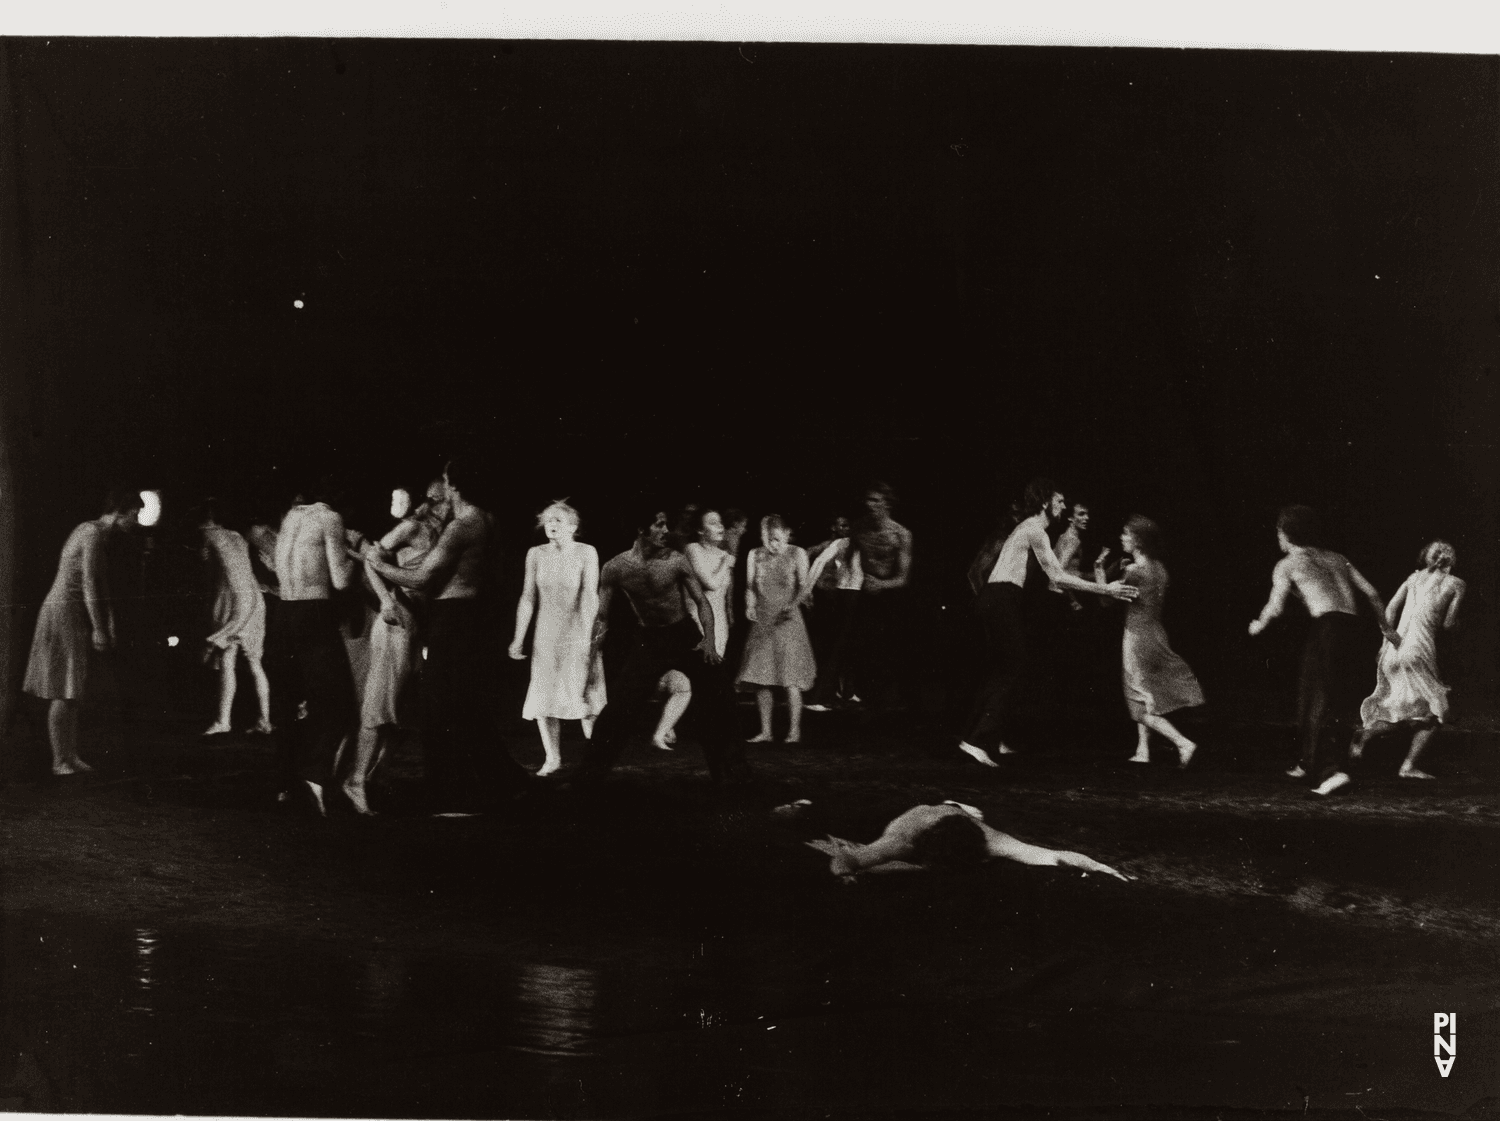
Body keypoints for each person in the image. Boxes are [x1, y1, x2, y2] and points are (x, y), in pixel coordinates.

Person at [362, 457, 531, 814]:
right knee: (468, 708)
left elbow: (422, 577)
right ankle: (508, 785)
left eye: (443, 481)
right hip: (472, 616)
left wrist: (381, 566)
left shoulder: (463, 526)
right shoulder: (489, 520)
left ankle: (452, 796)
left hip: (452, 619)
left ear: (453, 485)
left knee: (438, 710)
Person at [958, 478, 1138, 767]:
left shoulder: (1029, 529)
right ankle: (976, 740)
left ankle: (983, 738)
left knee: (1004, 668)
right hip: (1000, 598)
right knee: (1013, 665)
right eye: (1059, 501)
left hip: (999, 599)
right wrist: (1106, 589)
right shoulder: (1034, 529)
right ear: (1044, 502)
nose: (1063, 506)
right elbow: (1057, 576)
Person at [572, 508, 749, 784]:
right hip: (649, 639)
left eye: (666, 525)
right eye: (659, 525)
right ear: (641, 530)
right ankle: (588, 776)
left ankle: (732, 775)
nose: (665, 532)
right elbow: (602, 616)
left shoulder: (675, 561)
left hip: (683, 634)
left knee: (719, 697)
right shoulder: (616, 567)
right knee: (619, 708)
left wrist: (709, 642)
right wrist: (592, 655)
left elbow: (703, 602)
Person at [1248, 505, 1401, 797]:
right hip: (1353, 631)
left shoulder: (1287, 563)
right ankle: (1309, 764)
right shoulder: (1337, 558)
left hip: (1327, 630)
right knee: (1328, 697)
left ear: (1285, 534)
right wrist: (1387, 629)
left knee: (1318, 701)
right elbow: (1370, 593)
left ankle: (1334, 772)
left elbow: (1276, 606)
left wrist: (1259, 623)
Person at [343, 478, 451, 814]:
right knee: (381, 704)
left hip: (419, 623)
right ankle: (355, 780)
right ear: (435, 502)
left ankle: (376, 774)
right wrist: (385, 600)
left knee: (402, 709)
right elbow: (371, 557)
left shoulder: (445, 535)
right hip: (398, 618)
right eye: (446, 501)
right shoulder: (412, 528)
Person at [23, 488, 142, 775]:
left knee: (73, 689)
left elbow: (102, 584)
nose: (135, 522)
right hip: (62, 612)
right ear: (120, 513)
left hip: (74, 614)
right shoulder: (90, 533)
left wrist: (109, 621)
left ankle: (70, 754)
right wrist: (99, 628)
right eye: (133, 516)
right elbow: (88, 583)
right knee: (64, 689)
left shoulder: (101, 536)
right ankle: (58, 760)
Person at [267, 476, 360, 815]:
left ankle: (284, 784)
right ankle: (314, 773)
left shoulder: (292, 516)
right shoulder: (330, 519)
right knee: (340, 704)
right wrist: (357, 555)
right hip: (313, 610)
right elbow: (340, 578)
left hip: (284, 612)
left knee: (288, 703)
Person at [1349, 539, 1466, 780]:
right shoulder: (1457, 584)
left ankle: (1366, 735)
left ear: (1426, 557)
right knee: (1437, 710)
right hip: (1419, 650)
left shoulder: (1412, 579)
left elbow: (1389, 609)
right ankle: (1408, 766)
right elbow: (1449, 624)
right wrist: (1461, 628)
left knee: (1405, 708)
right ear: (1451, 560)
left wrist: (1386, 643)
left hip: (1395, 649)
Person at [509, 499, 606, 777]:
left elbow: (590, 595)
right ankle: (552, 758)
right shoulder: (536, 554)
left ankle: (595, 759)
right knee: (544, 697)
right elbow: (527, 597)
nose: (551, 525)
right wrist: (519, 637)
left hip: (578, 631)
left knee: (586, 695)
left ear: (573, 527)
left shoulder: (587, 552)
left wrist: (589, 636)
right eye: (548, 520)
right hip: (546, 635)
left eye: (558, 521)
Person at [1097, 516, 1203, 767]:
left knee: (1138, 702)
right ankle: (1143, 750)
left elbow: (1105, 599)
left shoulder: (1135, 571)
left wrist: (1100, 568)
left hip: (1137, 639)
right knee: (1146, 695)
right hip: (1156, 634)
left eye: (1126, 534)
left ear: (1138, 541)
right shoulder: (1160, 569)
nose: (1122, 538)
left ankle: (1182, 743)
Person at [804, 800, 1131, 881]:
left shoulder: (990, 839)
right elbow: (848, 859)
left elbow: (1053, 855)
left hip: (958, 812)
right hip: (908, 815)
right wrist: (846, 877)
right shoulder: (901, 838)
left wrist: (1103, 867)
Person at [737, 515, 816, 743]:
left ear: (787, 534)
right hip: (763, 619)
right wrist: (749, 605)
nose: (773, 545)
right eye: (768, 540)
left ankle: (794, 730)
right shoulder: (755, 554)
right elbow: (750, 586)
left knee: (790, 677)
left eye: (777, 539)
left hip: (787, 619)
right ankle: (766, 731)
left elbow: (804, 585)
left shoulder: (797, 553)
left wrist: (793, 604)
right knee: (762, 677)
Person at [199, 501, 272, 737]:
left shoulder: (213, 536)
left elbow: (220, 574)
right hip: (248, 598)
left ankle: (225, 721)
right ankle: (262, 719)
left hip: (237, 598)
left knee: (230, 659)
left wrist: (224, 626)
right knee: (252, 662)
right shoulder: (236, 536)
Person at [851, 482, 914, 712]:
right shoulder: (859, 529)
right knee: (865, 652)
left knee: (890, 653)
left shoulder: (901, 534)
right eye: (869, 500)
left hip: (892, 598)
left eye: (877, 500)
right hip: (867, 596)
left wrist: (882, 584)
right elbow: (847, 556)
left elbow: (903, 578)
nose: (871, 505)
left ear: (887, 503)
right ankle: (870, 704)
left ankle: (894, 707)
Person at [802, 515, 863, 712]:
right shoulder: (843, 543)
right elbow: (818, 560)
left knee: (849, 646)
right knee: (838, 647)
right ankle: (818, 696)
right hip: (848, 596)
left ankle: (846, 691)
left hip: (850, 595)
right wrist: (807, 590)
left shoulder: (850, 542)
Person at [1049, 502, 1091, 611]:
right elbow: (1058, 575)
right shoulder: (1073, 540)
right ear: (1070, 518)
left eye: (1087, 514)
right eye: (1081, 514)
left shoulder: (1063, 536)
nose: (1087, 518)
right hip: (1063, 599)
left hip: (1059, 596)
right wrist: (1073, 601)